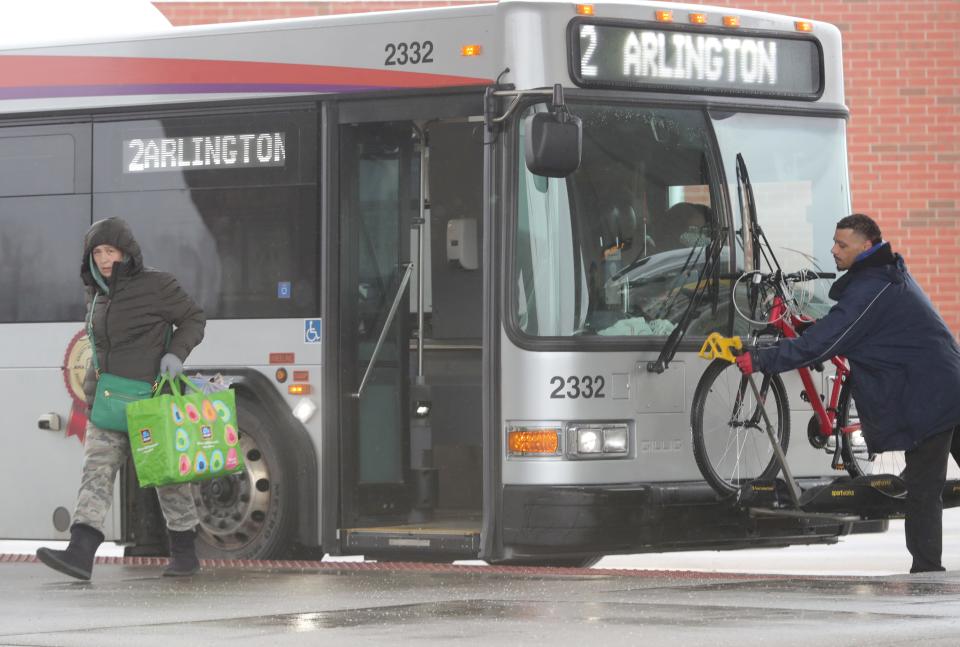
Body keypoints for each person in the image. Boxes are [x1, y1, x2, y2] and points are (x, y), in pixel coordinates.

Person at [734, 213, 960, 573]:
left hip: (931, 392)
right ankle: (926, 565)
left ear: (866, 246)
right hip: (944, 381)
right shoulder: (880, 275)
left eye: (842, 244)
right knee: (924, 484)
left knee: (922, 486)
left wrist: (762, 359)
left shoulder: (873, 287)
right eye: (834, 242)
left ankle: (927, 570)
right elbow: (844, 325)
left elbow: (825, 343)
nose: (833, 250)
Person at [36, 217, 206, 580]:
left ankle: (185, 554)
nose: (103, 258)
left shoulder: (158, 285)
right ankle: (80, 554)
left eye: (110, 250)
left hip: (151, 400)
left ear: (126, 251)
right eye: (97, 252)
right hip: (109, 400)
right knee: (95, 472)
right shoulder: (96, 293)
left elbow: (193, 318)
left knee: (167, 477)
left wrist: (175, 353)